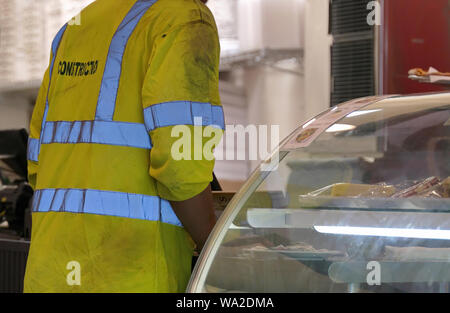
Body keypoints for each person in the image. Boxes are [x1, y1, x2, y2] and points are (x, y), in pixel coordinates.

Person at [24, 0, 223, 293]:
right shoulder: (184, 19)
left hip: (49, 274)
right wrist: (217, 248)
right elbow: (182, 167)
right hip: (130, 274)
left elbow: (38, 163)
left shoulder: (76, 26)